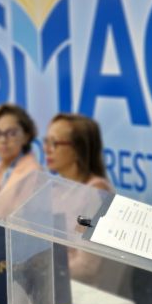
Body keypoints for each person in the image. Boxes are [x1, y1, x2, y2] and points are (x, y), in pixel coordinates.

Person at [43, 113, 111, 284]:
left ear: (77, 149)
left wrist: (43, 271)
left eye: (54, 143)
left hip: (81, 288)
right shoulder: (56, 188)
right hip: (56, 281)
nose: (46, 149)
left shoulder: (95, 194)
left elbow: (87, 266)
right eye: (46, 141)